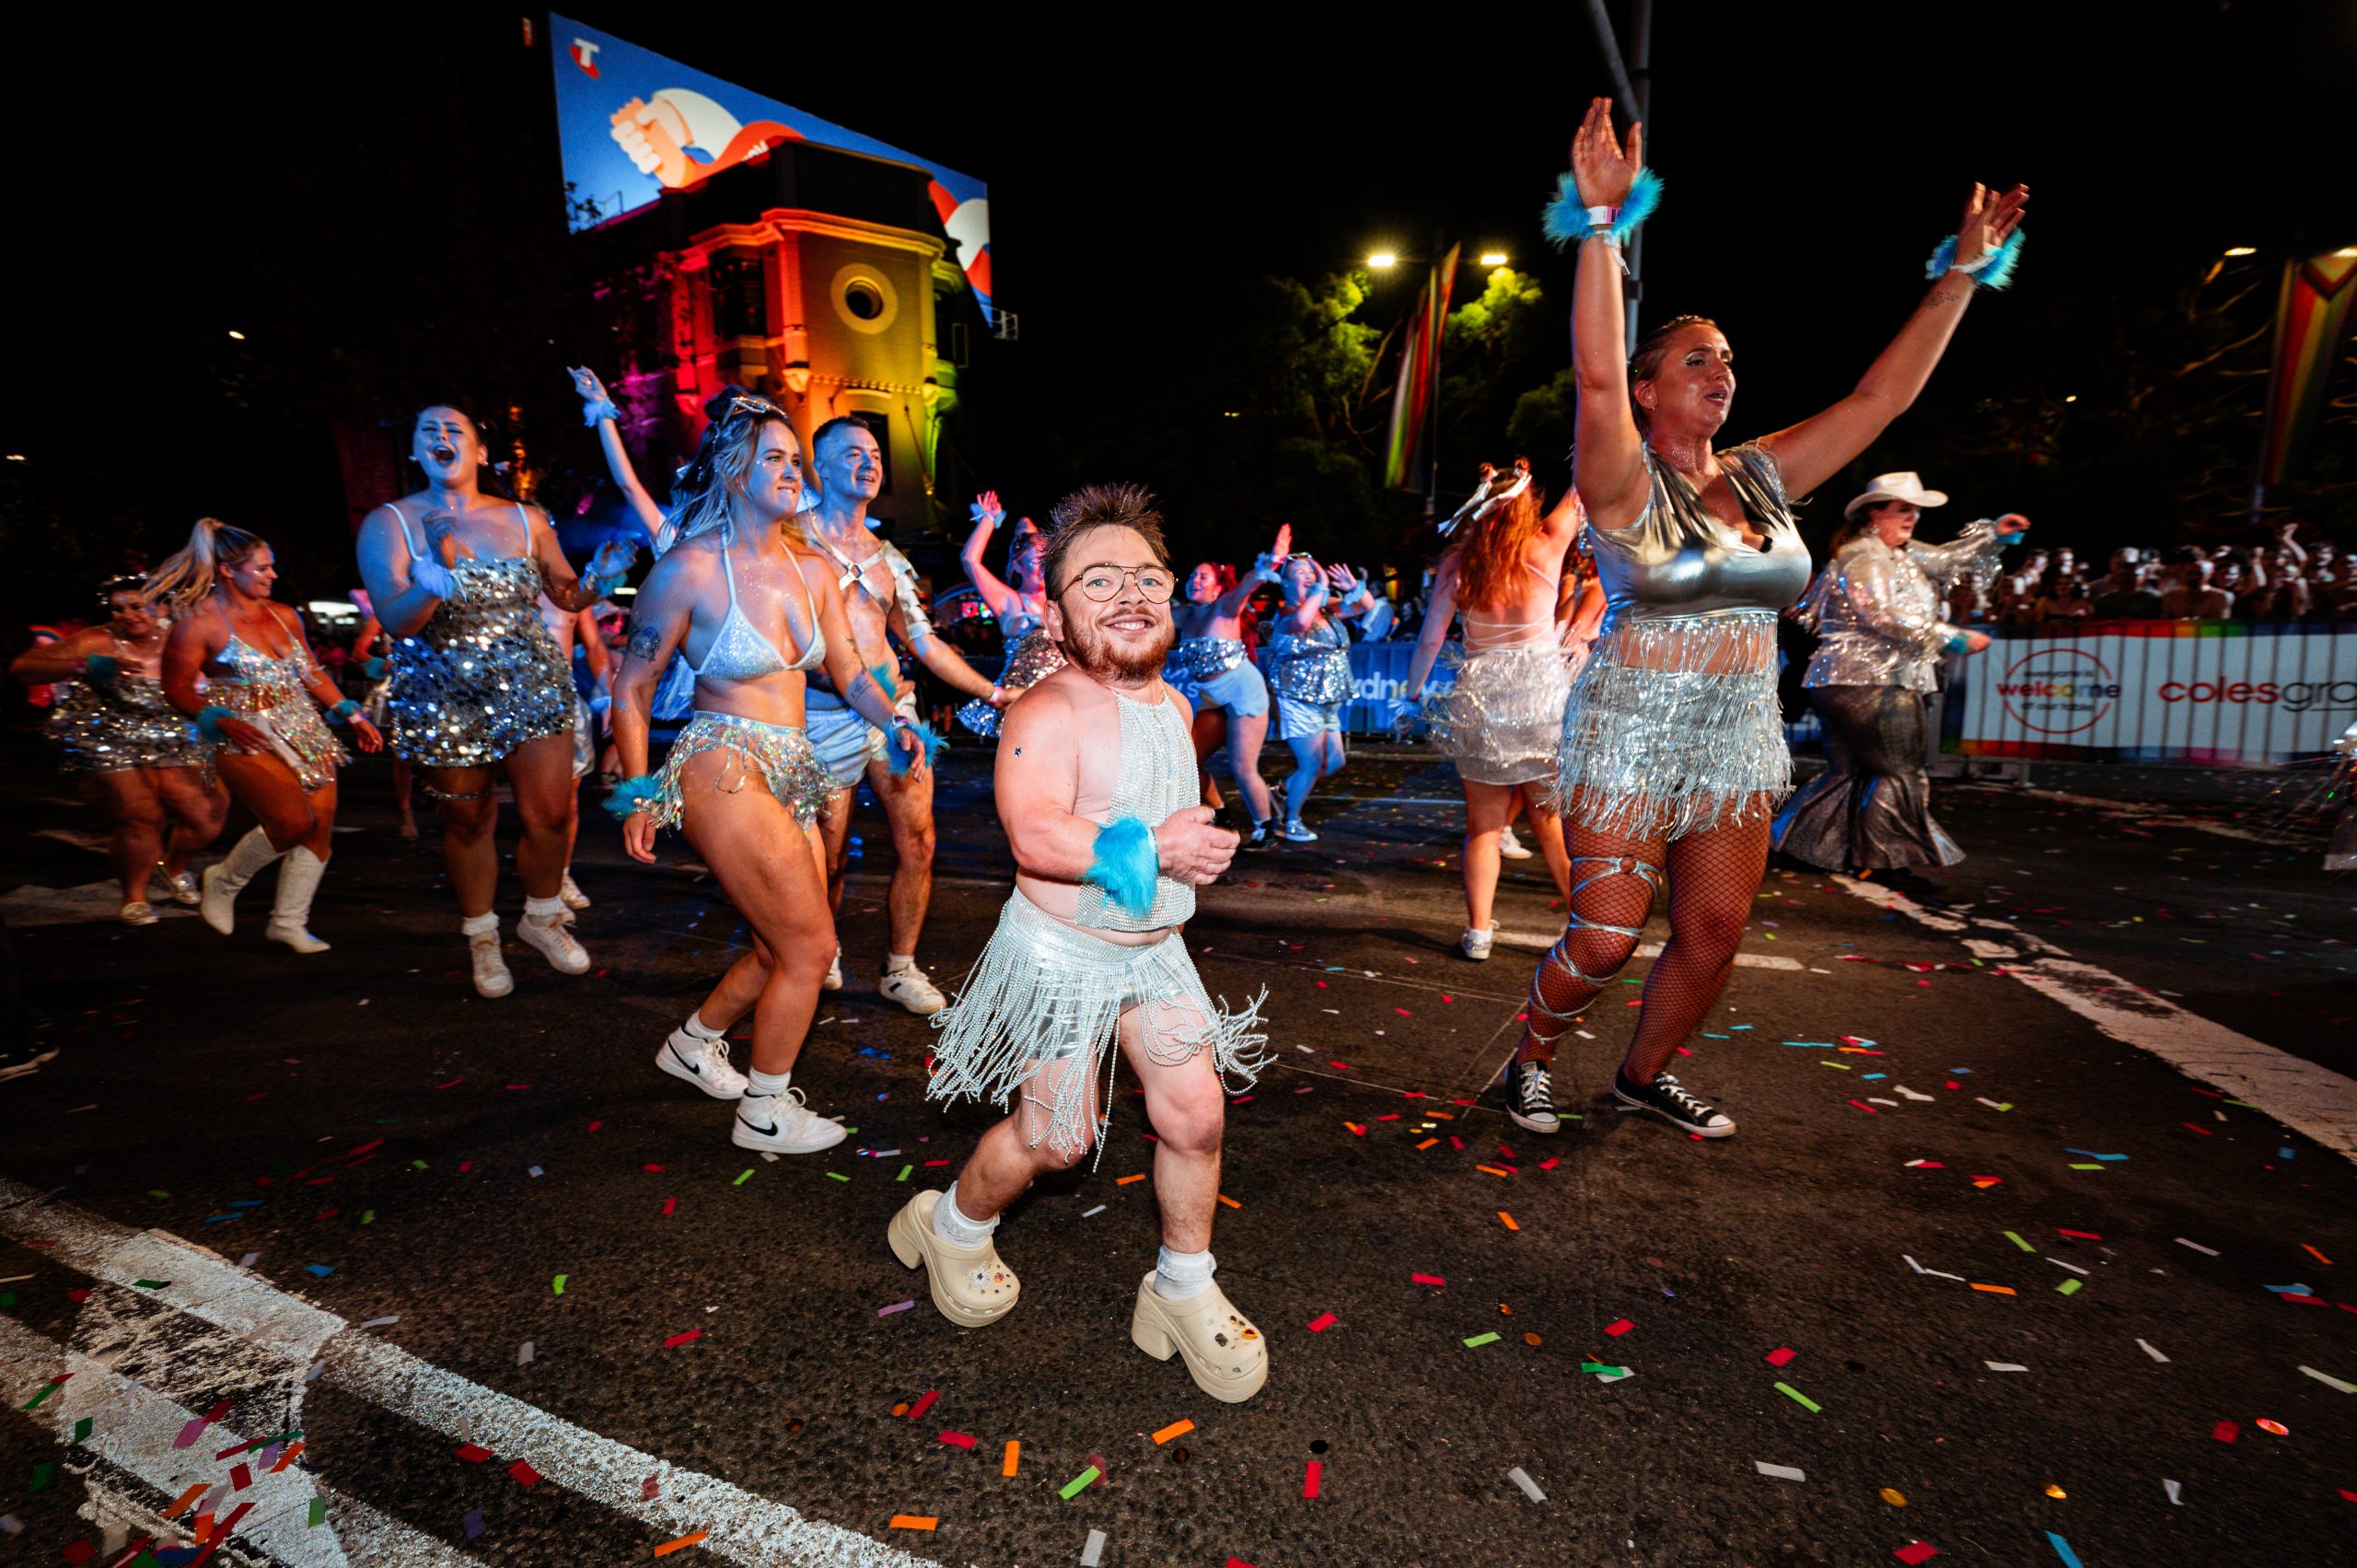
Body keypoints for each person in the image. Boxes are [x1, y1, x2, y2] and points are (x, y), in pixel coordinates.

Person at [1506, 97, 2026, 1140]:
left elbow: (1880, 400)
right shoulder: (1618, 479)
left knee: (1711, 930)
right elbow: (1596, 371)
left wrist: (1961, 275)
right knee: (1605, 937)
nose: (1721, 373)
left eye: (1728, 359)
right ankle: (1531, 1056)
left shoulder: (1762, 477)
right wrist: (1602, 228)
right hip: (1629, 732)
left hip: (1738, 732)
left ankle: (1640, 1074)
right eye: (1695, 359)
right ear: (1651, 389)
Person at [888, 483, 1271, 1402]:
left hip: (1154, 950)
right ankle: (950, 1224)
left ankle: (1179, 1286)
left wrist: (1192, 829)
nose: (1129, 592)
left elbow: (1158, 805)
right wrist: (1157, 845)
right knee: (1058, 1136)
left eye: (1147, 575)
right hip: (1060, 957)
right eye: (1097, 580)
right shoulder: (1046, 708)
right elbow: (1034, 836)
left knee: (1196, 1115)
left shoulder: (1178, 708)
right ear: (1056, 615)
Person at [610, 391, 923, 1153]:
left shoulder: (813, 570)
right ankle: (763, 1112)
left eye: (795, 460)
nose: (792, 472)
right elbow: (633, 685)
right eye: (775, 459)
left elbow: (849, 671)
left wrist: (895, 723)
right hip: (722, 761)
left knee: (778, 943)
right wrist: (640, 790)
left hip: (797, 767)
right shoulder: (688, 568)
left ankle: (692, 1042)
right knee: (813, 950)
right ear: (733, 467)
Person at [355, 403, 638, 997]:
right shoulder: (390, 522)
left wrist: (600, 577)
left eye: (453, 429)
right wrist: (437, 567)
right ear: (415, 449)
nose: (440, 436)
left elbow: (566, 595)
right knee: (467, 819)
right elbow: (398, 622)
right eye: (427, 430)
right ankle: (483, 937)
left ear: (480, 452)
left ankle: (540, 918)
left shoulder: (524, 516)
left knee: (552, 813)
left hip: (532, 679)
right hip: (442, 689)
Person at [797, 418, 1004, 1011]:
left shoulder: (888, 558)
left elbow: (925, 642)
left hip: (897, 718)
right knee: (829, 853)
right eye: (852, 454)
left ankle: (900, 968)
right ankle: (822, 951)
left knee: (919, 840)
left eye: (874, 454)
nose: (868, 462)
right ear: (823, 467)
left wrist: (992, 693)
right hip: (821, 718)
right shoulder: (793, 543)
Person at [1772, 476, 2026, 875]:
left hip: (1850, 681)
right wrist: (1949, 636)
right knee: (1899, 770)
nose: (1914, 517)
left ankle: (1803, 844)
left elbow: (1946, 562)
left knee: (1851, 771)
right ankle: (1888, 858)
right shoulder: (1866, 556)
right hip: (1871, 681)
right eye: (1903, 509)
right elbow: (1880, 614)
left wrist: (1993, 535)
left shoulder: (1896, 554)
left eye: (1916, 509)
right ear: (1875, 512)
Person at [151, 519, 383, 950]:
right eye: (261, 568)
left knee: (320, 826)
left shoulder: (284, 615)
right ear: (227, 570)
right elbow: (177, 689)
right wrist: (219, 719)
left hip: (302, 726)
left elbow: (311, 672)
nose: (273, 575)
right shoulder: (198, 622)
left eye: (271, 567)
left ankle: (289, 922)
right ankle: (224, 880)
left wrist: (351, 714)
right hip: (242, 731)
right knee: (291, 822)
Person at [1403, 464, 1595, 959]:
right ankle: (1585, 931)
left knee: (1484, 826)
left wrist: (1410, 691)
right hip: (1540, 697)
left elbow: (1431, 637)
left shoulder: (1459, 562)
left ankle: (1479, 933)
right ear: (1525, 504)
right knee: (1550, 821)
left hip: (1481, 694)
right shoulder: (1548, 542)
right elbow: (1583, 487)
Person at [9, 576, 228, 923]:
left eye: (138, 606)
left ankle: (172, 867)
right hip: (110, 734)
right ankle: (134, 896)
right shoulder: (98, 638)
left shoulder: (182, 637)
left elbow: (230, 668)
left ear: (163, 607)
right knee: (140, 815)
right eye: (118, 608)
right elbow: (23, 669)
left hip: (174, 732)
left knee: (207, 816)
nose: (128, 615)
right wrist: (84, 665)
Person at [1173, 531, 1287, 845]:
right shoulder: (1183, 615)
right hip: (1212, 699)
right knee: (1187, 761)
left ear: (1218, 586)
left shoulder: (1225, 606)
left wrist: (1271, 562)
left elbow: (1249, 585)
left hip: (1243, 694)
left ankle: (1265, 827)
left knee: (1241, 765)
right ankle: (1221, 814)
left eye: (1204, 576)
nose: (1195, 580)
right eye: (1193, 575)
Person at [1267, 556, 1381, 842]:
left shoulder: (1327, 611)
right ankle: (1288, 821)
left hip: (1328, 699)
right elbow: (1302, 622)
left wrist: (1354, 586)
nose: (1306, 575)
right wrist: (1321, 587)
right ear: (1286, 583)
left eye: (1309, 569)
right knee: (1312, 763)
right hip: (1298, 699)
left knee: (1334, 762)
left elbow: (1366, 605)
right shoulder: (1287, 613)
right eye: (1298, 572)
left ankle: (1281, 792)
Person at [958, 492, 1066, 736]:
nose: (1041, 570)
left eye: (1045, 562)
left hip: (1061, 701)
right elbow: (970, 561)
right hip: (1021, 704)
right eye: (1033, 563)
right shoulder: (1011, 602)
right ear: (1017, 565)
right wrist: (988, 520)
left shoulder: (1061, 603)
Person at [536, 587, 613, 917]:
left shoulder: (568, 591)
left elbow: (595, 645)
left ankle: (559, 876)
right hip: (509, 702)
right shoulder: (500, 584)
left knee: (566, 802)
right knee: (531, 803)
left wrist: (609, 697)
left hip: (564, 704)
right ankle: (537, 884)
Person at [347, 589, 417, 838]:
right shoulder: (382, 615)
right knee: (403, 754)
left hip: (432, 685)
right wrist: (384, 663)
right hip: (400, 689)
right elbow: (358, 653)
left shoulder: (432, 608)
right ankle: (406, 811)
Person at [2157, 546, 2233, 619]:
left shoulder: (2220, 597)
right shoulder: (2170, 597)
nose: (2194, 577)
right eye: (2189, 573)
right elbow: (2163, 626)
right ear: (2181, 572)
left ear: (2210, 574)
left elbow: (2222, 628)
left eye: (2199, 573)